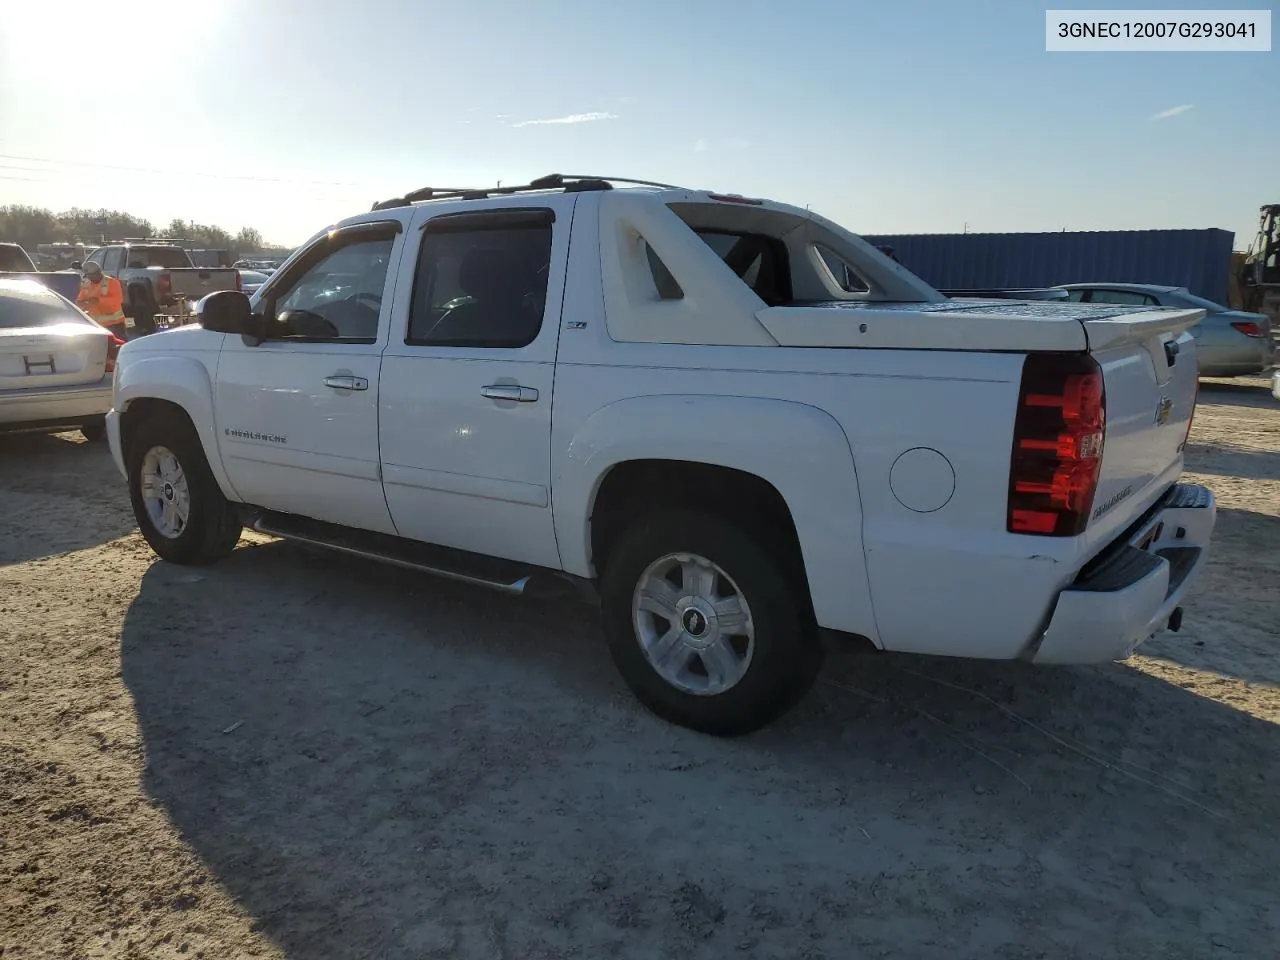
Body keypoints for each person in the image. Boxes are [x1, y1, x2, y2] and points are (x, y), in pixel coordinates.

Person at [76, 261, 127, 337]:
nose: (90, 278)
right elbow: (80, 300)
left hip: (115, 325)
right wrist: (81, 303)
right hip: (96, 325)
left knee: (117, 346)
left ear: (98, 272)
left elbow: (118, 300)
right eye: (88, 276)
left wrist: (99, 301)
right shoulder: (86, 284)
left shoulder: (112, 282)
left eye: (91, 275)